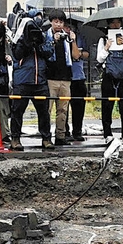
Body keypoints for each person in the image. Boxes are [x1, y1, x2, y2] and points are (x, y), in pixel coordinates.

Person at [11, 9, 56, 151]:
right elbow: (17, 55)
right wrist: (26, 42)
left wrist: (39, 42)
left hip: (40, 81)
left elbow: (49, 53)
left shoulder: (43, 36)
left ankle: (46, 138)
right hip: (22, 80)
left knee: (44, 112)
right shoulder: (18, 36)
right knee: (17, 111)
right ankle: (15, 139)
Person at [96, 18, 123, 145]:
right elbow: (99, 59)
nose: (115, 25)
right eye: (113, 23)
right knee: (107, 105)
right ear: (108, 25)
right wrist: (106, 47)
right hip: (109, 75)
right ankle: (107, 134)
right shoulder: (102, 39)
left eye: (118, 22)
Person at [45, 10, 79, 146]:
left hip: (66, 78)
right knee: (47, 108)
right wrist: (53, 41)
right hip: (50, 78)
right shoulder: (45, 36)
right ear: (51, 22)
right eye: (55, 21)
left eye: (61, 22)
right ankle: (46, 137)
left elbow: (76, 56)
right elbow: (44, 53)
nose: (58, 24)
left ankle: (61, 135)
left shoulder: (67, 38)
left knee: (63, 109)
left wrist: (73, 40)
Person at [64, 23, 89, 142]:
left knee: (79, 107)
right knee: (63, 108)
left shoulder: (79, 37)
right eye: (66, 26)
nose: (68, 29)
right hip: (64, 77)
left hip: (78, 76)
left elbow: (84, 54)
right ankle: (64, 131)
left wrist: (73, 42)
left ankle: (77, 131)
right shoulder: (58, 37)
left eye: (70, 27)